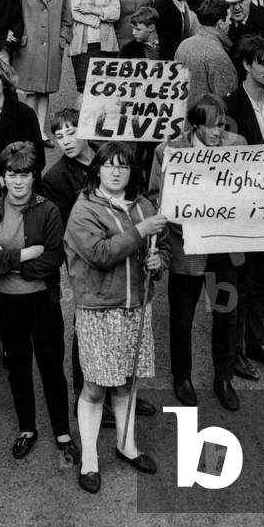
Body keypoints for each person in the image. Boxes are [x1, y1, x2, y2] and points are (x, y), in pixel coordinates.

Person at [64, 142, 170, 494]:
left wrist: (159, 263)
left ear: (130, 171)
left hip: (137, 307)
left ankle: (127, 445)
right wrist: (139, 232)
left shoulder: (143, 205)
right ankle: (90, 459)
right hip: (99, 310)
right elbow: (100, 254)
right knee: (95, 387)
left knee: (127, 381)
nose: (115, 171)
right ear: (97, 170)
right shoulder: (83, 210)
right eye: (108, 165)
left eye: (122, 166)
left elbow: (162, 246)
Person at [0, 141, 78, 464]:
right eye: (11, 174)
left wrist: (7, 258)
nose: (18, 181)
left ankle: (62, 431)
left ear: (35, 177)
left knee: (51, 365)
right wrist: (24, 255)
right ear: (3, 177)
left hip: (43, 302)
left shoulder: (48, 210)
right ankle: (27, 429)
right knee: (18, 367)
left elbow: (51, 259)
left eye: (25, 174)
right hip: (7, 305)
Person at [148, 95, 248, 411]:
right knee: (182, 319)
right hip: (185, 248)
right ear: (194, 126)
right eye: (211, 127)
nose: (219, 133)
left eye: (222, 125)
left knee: (227, 315)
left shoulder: (238, 145)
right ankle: (182, 377)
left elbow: (250, 189)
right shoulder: (168, 151)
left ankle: (223, 377)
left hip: (222, 249)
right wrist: (177, 225)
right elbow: (154, 196)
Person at [222, 37, 264, 377]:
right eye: (262, 62)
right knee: (241, 284)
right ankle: (233, 351)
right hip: (241, 211)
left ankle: (255, 341)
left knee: (263, 279)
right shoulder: (228, 106)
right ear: (246, 65)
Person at [12, 0, 74, 142]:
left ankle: (39, 131)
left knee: (45, 90)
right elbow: (12, 14)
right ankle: (29, 131)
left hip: (52, 48)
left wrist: (62, 40)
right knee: (31, 90)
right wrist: (17, 37)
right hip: (28, 47)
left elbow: (67, 16)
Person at [68, 0, 120, 93]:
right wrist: (99, 19)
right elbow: (75, 12)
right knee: (85, 88)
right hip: (82, 45)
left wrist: (92, 9)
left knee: (106, 88)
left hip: (106, 44)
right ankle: (84, 116)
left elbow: (116, 13)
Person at [174, 0, 237, 108]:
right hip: (209, 122)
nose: (231, 22)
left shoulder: (183, 45)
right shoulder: (218, 55)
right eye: (229, 19)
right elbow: (228, 102)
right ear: (220, 24)